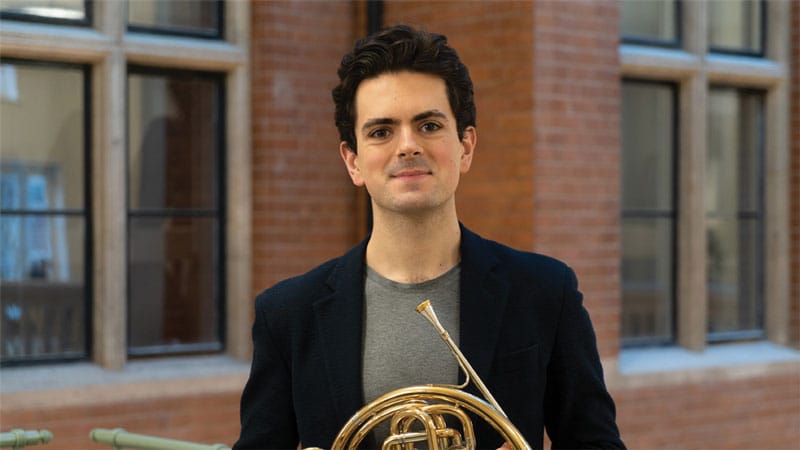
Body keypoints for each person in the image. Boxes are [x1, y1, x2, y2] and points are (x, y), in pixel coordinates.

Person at [234, 24, 625, 450]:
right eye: (381, 131)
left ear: (466, 147)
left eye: (429, 125)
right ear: (353, 162)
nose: (407, 146)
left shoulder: (547, 292)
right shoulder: (288, 315)